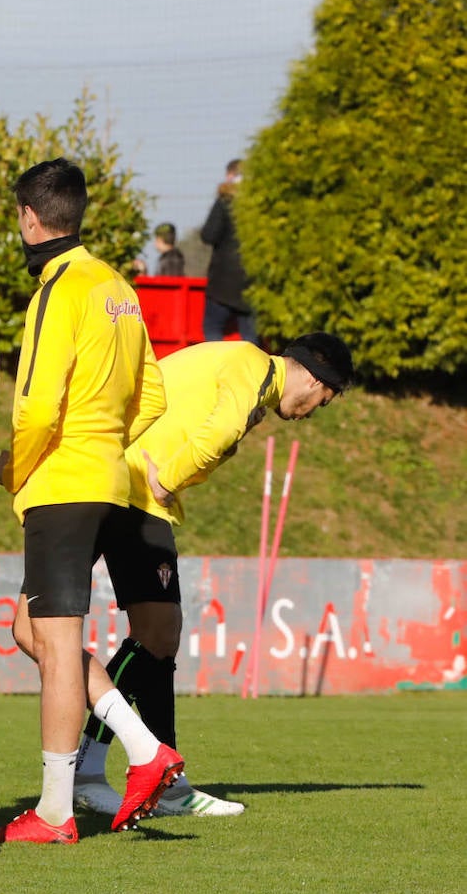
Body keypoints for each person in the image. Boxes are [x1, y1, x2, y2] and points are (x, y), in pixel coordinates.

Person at [74, 332, 354, 818]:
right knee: (153, 633)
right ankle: (102, 772)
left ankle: (159, 780)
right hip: (134, 493)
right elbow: (218, 431)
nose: (311, 413)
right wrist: (170, 478)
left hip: (127, 487)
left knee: (160, 636)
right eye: (322, 401)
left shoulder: (249, 376)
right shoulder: (251, 366)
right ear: (311, 378)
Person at [0, 158, 180, 845]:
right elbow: (153, 395)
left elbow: (39, 404)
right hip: (109, 481)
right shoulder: (118, 287)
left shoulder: (58, 290)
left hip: (64, 485)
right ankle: (142, 747)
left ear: (29, 218)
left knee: (57, 637)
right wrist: (105, 437)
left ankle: (53, 809)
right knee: (31, 631)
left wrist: (18, 465)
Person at [200, 159, 254, 343]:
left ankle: (218, 369)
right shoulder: (260, 201)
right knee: (250, 336)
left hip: (223, 281)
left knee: (212, 327)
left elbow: (209, 235)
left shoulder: (226, 200)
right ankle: (255, 371)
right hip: (252, 280)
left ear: (231, 175)